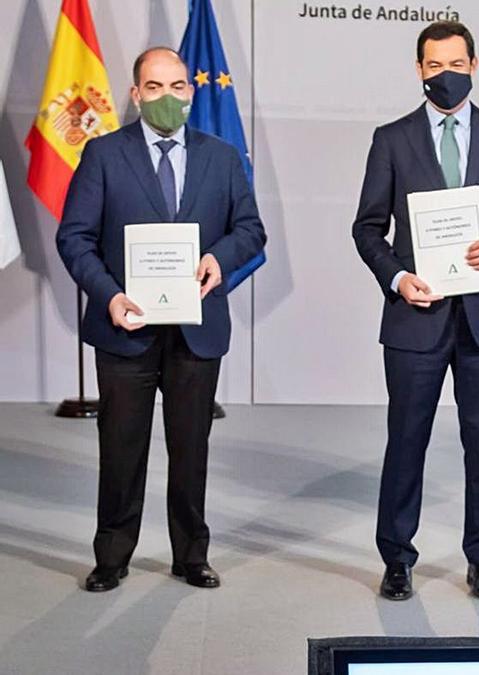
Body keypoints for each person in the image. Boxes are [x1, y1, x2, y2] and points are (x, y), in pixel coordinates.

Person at [57, 47, 267, 592]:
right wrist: (108, 296)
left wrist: (220, 258)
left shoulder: (222, 158)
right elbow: (75, 238)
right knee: (121, 445)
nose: (168, 97)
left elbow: (250, 229)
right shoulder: (103, 155)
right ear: (135, 94)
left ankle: (191, 555)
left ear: (191, 93)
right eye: (155, 88)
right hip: (125, 325)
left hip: (197, 330)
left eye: (178, 87)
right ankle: (112, 556)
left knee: (191, 446)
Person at [352, 21, 479, 601]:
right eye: (434, 66)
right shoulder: (392, 138)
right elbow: (366, 229)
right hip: (415, 316)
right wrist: (397, 276)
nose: (445, 74)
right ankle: (396, 557)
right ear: (419, 70)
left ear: (474, 64)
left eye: (455, 63)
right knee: (406, 436)